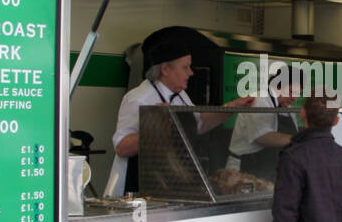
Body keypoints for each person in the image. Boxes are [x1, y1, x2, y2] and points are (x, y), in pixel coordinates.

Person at [108, 40, 254, 196]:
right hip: (138, 187)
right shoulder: (139, 98)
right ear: (165, 69)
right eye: (185, 67)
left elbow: (199, 124)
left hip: (170, 182)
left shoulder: (180, 95)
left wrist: (232, 107)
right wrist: (156, 125)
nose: (190, 73)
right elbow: (122, 147)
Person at [227, 61, 297, 176]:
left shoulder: (290, 111)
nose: (294, 97)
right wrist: (300, 139)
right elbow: (262, 137)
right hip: (244, 169)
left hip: (271, 170)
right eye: (291, 91)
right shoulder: (259, 100)